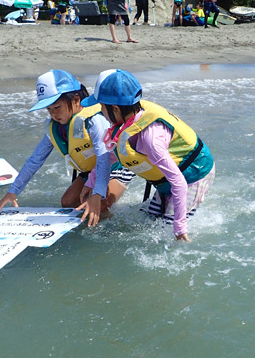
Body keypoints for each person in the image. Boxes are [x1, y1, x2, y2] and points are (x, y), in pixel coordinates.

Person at [80, 69, 216, 242]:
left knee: (169, 232)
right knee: (149, 219)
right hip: (167, 180)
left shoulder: (151, 138)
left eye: (101, 107)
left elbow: (179, 182)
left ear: (115, 108)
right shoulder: (125, 124)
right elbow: (111, 156)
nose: (100, 112)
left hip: (194, 174)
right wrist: (91, 183)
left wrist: (180, 227)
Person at [0, 69, 135, 226]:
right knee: (67, 203)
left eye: (57, 107)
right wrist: (13, 191)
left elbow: (104, 159)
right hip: (90, 172)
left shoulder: (93, 121)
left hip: (115, 168)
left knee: (99, 207)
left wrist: (97, 193)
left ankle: (110, 230)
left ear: (76, 99)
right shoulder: (56, 128)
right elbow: (35, 160)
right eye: (49, 109)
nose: (54, 114)